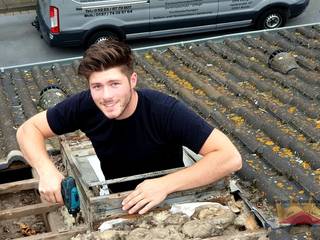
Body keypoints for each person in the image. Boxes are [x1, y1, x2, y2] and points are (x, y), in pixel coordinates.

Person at [16, 40, 242, 215]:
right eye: (97, 86)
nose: (106, 96)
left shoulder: (164, 110)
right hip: (118, 202)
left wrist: (164, 185)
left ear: (132, 81)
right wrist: (46, 170)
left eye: (115, 84)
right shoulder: (85, 105)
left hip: (172, 199)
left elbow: (229, 157)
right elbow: (28, 130)